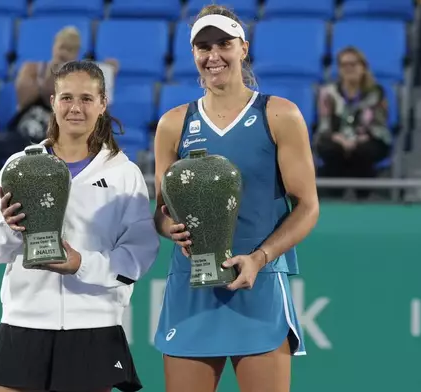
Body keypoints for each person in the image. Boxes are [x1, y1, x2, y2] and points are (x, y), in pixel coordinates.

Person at [152, 5, 319, 392]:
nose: (214, 56)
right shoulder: (173, 123)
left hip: (258, 285)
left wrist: (259, 259)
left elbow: (307, 206)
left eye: (224, 44)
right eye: (203, 47)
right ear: (193, 55)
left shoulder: (280, 114)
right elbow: (160, 212)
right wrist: (169, 228)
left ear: (243, 48)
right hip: (192, 288)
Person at [0, 60, 159, 392]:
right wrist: (12, 229)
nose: (76, 108)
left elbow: (139, 255)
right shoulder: (20, 165)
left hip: (94, 328)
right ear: (53, 102)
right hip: (23, 323)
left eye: (86, 99)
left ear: (103, 104)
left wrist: (81, 265)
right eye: (67, 97)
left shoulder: (123, 174)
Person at [0, 26, 119, 174]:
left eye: (71, 49)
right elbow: (24, 100)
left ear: (77, 53)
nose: (65, 52)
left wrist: (107, 75)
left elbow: (99, 113)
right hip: (23, 134)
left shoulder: (81, 79)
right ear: (54, 46)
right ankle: (2, 180)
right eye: (62, 47)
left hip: (56, 139)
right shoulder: (32, 68)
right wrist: (52, 71)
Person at [314, 46, 391, 196]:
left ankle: (363, 197)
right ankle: (334, 197)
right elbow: (324, 124)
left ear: (363, 67)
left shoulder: (376, 93)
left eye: (353, 64)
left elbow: (379, 125)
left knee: (363, 151)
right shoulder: (328, 93)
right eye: (344, 65)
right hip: (336, 138)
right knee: (331, 149)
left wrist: (357, 140)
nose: (349, 68)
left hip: (368, 138)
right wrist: (340, 139)